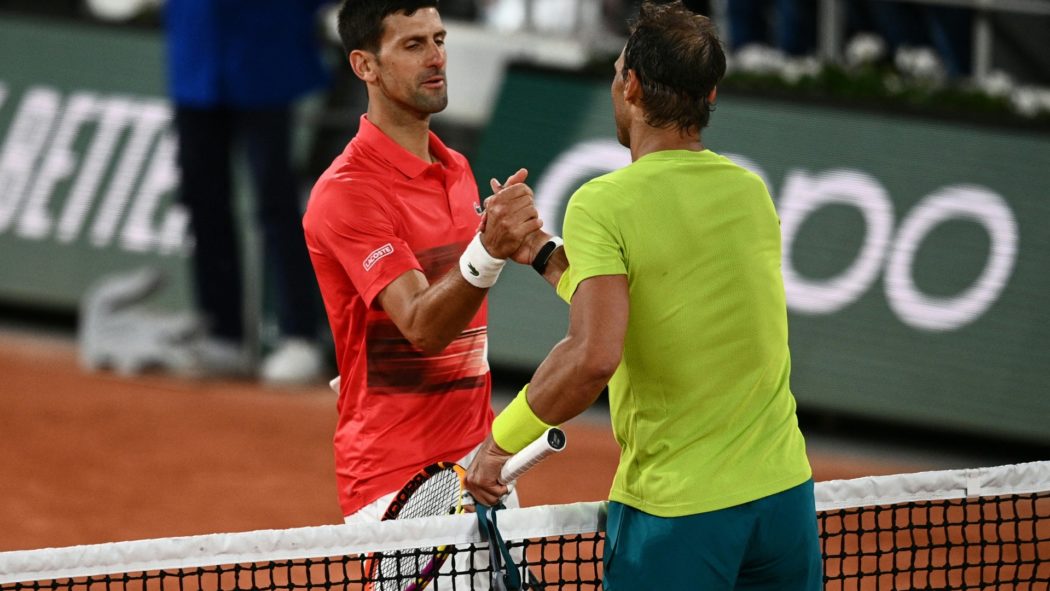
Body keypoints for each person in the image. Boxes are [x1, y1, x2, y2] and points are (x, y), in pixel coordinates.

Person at [465, 2, 822, 589]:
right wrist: (542, 254)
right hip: (783, 504)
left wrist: (500, 445)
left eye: (615, 71)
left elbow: (593, 354)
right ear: (709, 96)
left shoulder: (604, 202)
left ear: (630, 85)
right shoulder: (750, 192)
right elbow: (653, 306)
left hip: (680, 514)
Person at [303, 0, 548, 523]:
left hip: (483, 464)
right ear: (364, 66)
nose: (435, 57)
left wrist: (534, 249)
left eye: (438, 40)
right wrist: (487, 251)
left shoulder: (455, 167)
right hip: (398, 482)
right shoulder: (348, 193)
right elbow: (420, 325)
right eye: (413, 45)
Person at [165, 0, 331, 384]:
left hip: (265, 54)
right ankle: (223, 334)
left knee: (277, 202)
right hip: (195, 49)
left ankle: (300, 335)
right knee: (202, 199)